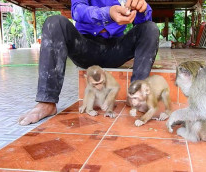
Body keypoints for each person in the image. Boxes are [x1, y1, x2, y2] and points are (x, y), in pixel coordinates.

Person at [18, 0, 159, 125]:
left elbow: (142, 22)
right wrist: (107, 13)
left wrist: (142, 9)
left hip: (116, 48)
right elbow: (78, 11)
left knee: (150, 28)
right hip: (85, 47)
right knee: (54, 22)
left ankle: (135, 95)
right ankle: (47, 102)